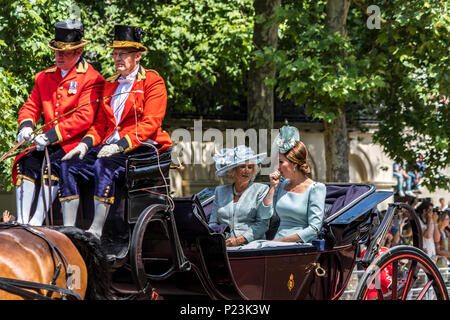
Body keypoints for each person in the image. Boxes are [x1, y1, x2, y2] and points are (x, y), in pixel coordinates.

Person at [58, 25, 172, 239]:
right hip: (108, 145)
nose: (117, 58)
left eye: (123, 54)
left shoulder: (153, 81)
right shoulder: (109, 84)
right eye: (115, 53)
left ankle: (97, 230)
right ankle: (68, 230)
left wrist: (119, 145)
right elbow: (100, 124)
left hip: (140, 147)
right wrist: (85, 144)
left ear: (137, 56)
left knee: (105, 164)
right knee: (68, 165)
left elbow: (151, 123)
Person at [13, 20, 104, 226]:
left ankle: (37, 221)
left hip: (74, 144)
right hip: (46, 142)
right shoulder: (44, 77)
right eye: (57, 51)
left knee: (53, 166)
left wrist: (51, 136)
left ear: (79, 51)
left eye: (65, 52)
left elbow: (84, 116)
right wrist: (26, 125)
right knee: (25, 162)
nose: (59, 56)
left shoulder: (92, 79)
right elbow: (31, 106)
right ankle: (21, 220)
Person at [262, 125, 326, 243]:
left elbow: (314, 229)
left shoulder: (316, 189)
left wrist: (282, 242)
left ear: (294, 163)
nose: (278, 166)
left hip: (299, 245)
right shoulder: (281, 184)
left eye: (281, 162)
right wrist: (272, 188)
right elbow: (265, 215)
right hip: (275, 242)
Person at [208, 146, 271, 247]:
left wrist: (239, 240)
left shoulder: (261, 190)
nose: (246, 170)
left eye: (250, 167)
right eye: (242, 166)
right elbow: (213, 222)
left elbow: (263, 224)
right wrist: (216, 240)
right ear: (233, 170)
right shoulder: (220, 191)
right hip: (224, 246)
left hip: (252, 246)